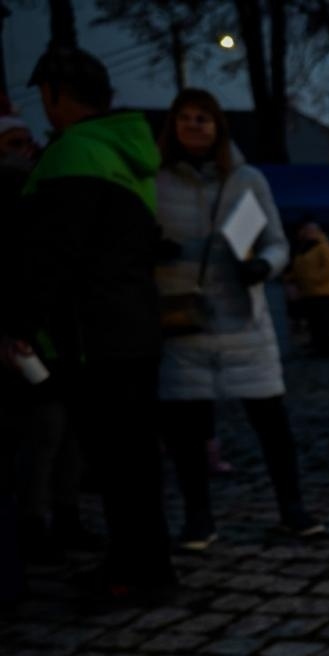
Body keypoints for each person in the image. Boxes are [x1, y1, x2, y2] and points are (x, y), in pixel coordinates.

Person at [0, 47, 174, 602]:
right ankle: (150, 566)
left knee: (116, 463)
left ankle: (130, 573)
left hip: (91, 334)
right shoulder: (127, 150)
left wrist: (21, 322)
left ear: (55, 94)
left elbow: (51, 254)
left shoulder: (73, 151)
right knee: (137, 462)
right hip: (134, 327)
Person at [153, 88, 322, 550]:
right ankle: (198, 518)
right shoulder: (155, 179)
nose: (194, 126)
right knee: (187, 431)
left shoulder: (245, 179)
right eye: (185, 117)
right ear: (173, 125)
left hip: (242, 320)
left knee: (272, 423)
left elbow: (275, 241)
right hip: (183, 318)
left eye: (203, 118)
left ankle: (292, 507)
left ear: (217, 126)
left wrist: (263, 266)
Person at [285, 217, 329, 360]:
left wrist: (313, 279)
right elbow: (299, 266)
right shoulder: (304, 247)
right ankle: (317, 346)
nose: (306, 233)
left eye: (309, 230)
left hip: (322, 291)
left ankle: (327, 349)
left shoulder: (323, 246)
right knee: (314, 322)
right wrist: (291, 278)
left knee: (324, 322)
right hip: (308, 292)